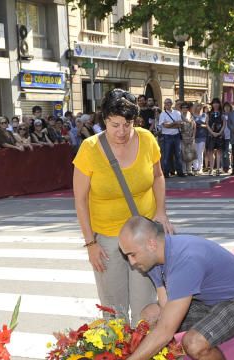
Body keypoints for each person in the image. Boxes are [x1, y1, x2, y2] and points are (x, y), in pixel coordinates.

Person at [100, 216, 234, 360]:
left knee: (195, 343)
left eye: (132, 254)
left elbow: (166, 331)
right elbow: (164, 309)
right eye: (127, 256)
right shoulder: (154, 257)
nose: (132, 263)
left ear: (151, 243)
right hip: (207, 302)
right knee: (150, 315)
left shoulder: (185, 259)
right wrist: (153, 326)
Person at [73, 89, 173, 325]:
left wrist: (161, 211)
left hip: (143, 237)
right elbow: (80, 199)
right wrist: (90, 243)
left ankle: (145, 359)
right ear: (104, 120)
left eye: (127, 124)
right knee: (113, 312)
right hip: (107, 238)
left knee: (146, 310)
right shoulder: (89, 149)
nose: (121, 131)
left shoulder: (147, 139)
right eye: (114, 124)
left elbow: (158, 176)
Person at [158, 98, 185, 177]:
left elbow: (180, 124)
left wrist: (170, 124)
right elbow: (164, 125)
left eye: (169, 103)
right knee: (166, 155)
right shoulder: (162, 114)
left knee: (178, 154)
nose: (167, 104)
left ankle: (180, 172)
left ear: (171, 104)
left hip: (176, 136)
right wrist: (175, 123)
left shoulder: (177, 113)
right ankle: (166, 173)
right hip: (167, 136)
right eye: (166, 103)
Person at [206, 99, 225, 175]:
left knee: (219, 152)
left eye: (217, 103)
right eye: (214, 103)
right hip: (211, 135)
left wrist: (220, 132)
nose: (215, 104)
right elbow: (207, 124)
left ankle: (217, 169)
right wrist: (212, 132)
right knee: (210, 152)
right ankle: (211, 169)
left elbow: (224, 124)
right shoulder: (209, 113)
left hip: (219, 135)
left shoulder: (222, 113)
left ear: (219, 104)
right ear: (212, 104)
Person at [179, 103, 197, 175]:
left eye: (186, 107)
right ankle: (183, 170)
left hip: (190, 137)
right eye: (183, 107)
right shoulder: (179, 116)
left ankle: (189, 170)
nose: (184, 109)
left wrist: (193, 136)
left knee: (190, 153)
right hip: (182, 137)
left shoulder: (191, 116)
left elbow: (194, 126)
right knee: (183, 153)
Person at [194, 104, 208, 174]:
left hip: (202, 136)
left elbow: (201, 121)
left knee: (200, 153)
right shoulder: (192, 115)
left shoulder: (204, 115)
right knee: (195, 153)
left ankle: (200, 168)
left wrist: (197, 123)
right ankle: (195, 168)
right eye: (198, 107)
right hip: (194, 136)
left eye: (200, 108)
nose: (199, 109)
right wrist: (201, 124)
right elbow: (196, 123)